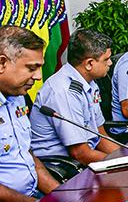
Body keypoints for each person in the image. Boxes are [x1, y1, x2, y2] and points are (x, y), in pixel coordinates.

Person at [30, 29, 120, 175]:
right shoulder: (63, 92)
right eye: (106, 59)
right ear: (89, 63)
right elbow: (80, 153)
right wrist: (122, 163)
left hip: (87, 157)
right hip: (62, 168)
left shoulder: (89, 82)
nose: (110, 63)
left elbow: (101, 137)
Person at [0, 26, 59, 202]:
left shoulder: (17, 96)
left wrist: (60, 195)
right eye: (31, 68)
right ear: (2, 63)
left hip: (33, 198)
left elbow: (27, 154)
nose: (39, 76)